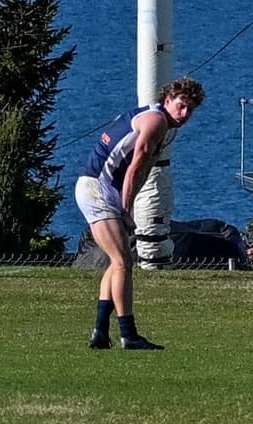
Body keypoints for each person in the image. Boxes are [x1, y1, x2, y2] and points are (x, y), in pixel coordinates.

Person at [74, 77, 200, 350]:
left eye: (191, 109)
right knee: (124, 262)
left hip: (95, 187)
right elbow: (134, 168)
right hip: (98, 189)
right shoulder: (157, 122)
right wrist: (126, 210)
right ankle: (128, 335)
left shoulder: (153, 117)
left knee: (115, 261)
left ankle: (99, 332)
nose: (185, 114)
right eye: (181, 106)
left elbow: (139, 169)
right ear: (168, 100)